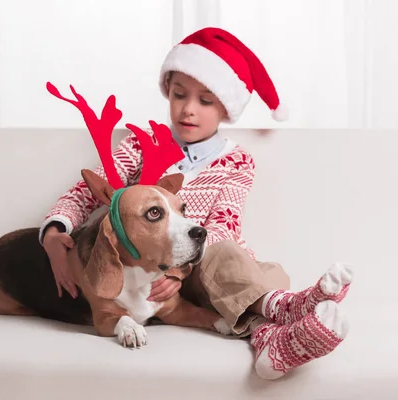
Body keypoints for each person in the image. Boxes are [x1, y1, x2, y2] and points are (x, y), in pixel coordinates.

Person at [39, 27, 353, 380]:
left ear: (226, 108)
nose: (188, 110)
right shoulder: (143, 145)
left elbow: (224, 225)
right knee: (240, 267)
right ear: (168, 93)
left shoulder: (237, 162)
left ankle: (281, 325)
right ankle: (280, 325)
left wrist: (179, 270)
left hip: (205, 264)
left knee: (267, 269)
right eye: (178, 95)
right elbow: (85, 191)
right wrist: (54, 233)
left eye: (205, 100)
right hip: (156, 275)